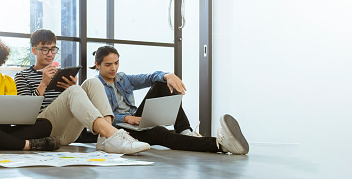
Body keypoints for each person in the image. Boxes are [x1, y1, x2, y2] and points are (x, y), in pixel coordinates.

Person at [91, 45, 249, 154]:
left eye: (116, 63)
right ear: (97, 65)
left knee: (162, 84)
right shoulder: (94, 85)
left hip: (136, 120)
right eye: (108, 65)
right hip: (118, 130)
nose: (114, 68)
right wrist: (126, 118)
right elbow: (102, 117)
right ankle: (219, 145)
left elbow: (150, 77)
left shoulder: (123, 79)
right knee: (161, 133)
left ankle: (186, 131)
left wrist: (168, 75)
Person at [15, 29, 150, 154]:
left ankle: (105, 138)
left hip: (67, 133)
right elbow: (25, 113)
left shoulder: (60, 73)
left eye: (53, 49)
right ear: (34, 50)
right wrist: (43, 84)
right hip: (43, 130)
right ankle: (114, 135)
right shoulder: (22, 76)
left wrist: (73, 89)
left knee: (93, 82)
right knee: (75, 90)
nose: (50, 54)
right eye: (44, 50)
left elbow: (72, 106)